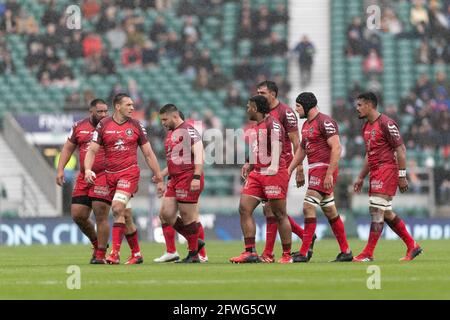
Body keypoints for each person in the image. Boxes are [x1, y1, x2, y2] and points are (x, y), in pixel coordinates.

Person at [84, 93, 165, 265]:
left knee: (117, 207)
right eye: (128, 105)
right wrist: (88, 170)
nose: (132, 108)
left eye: (132, 105)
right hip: (110, 176)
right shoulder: (103, 125)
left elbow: (148, 153)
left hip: (129, 173)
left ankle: (114, 253)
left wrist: (159, 177)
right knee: (126, 215)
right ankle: (136, 254)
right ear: (118, 107)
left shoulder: (136, 126)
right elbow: (92, 150)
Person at [353, 92, 422, 262]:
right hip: (375, 171)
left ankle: (368, 252)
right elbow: (369, 155)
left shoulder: (386, 123)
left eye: (360, 105)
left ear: (369, 105)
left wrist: (402, 175)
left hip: (387, 169)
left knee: (377, 210)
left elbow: (401, 150)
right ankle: (412, 245)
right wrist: (361, 176)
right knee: (386, 213)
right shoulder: (366, 127)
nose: (357, 108)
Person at [247, 80, 308, 263]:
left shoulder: (286, 113)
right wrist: (250, 162)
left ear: (273, 94)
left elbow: (296, 142)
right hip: (264, 165)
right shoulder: (260, 112)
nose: (259, 95)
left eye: (263, 92)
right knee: (272, 209)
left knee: (272, 208)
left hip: (282, 164)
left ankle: (269, 252)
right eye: (258, 92)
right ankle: (304, 236)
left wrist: (298, 168)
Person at [288, 92, 353, 263]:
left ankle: (304, 252)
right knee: (330, 210)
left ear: (308, 106)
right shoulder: (306, 125)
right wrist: (290, 170)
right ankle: (346, 251)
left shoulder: (326, 121)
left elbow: (336, 148)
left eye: (299, 106)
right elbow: (302, 150)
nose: (296, 110)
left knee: (308, 206)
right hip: (315, 169)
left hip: (324, 169)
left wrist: (330, 173)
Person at [230, 95, 293, 264]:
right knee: (244, 208)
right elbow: (257, 147)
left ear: (256, 108)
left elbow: (277, 144)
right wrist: (249, 163)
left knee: (279, 214)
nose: (247, 109)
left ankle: (287, 255)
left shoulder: (273, 123)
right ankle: (250, 251)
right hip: (257, 173)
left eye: (248, 106)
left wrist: (273, 165)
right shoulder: (256, 125)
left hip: (274, 172)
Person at [56, 99, 111, 264]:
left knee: (100, 214)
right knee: (78, 214)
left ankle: (101, 255)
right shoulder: (79, 126)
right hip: (83, 177)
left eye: (105, 111)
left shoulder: (111, 127)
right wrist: (60, 170)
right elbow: (67, 148)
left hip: (103, 175)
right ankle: (97, 243)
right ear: (91, 112)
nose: (103, 115)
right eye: (99, 112)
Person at [157, 104, 207, 263]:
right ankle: (194, 241)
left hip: (188, 177)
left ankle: (194, 255)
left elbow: (200, 154)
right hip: (174, 179)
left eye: (165, 119)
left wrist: (196, 177)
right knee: (166, 213)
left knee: (188, 216)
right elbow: (175, 160)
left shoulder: (188, 130)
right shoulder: (171, 133)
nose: (163, 123)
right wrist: (161, 174)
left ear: (174, 116)